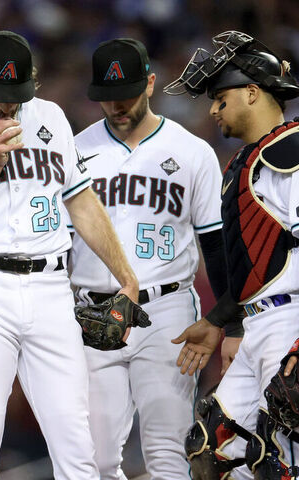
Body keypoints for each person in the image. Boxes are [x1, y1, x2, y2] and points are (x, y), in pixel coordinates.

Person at [0, 30, 140, 479]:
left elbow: (81, 201)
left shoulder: (50, 117)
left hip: (51, 288)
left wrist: (126, 276)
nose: (6, 106)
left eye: (15, 94)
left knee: (77, 441)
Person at [69, 38, 231, 479]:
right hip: (91, 311)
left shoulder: (192, 151)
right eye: (108, 98)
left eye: (128, 95)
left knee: (167, 452)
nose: (118, 107)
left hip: (167, 310)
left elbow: (215, 245)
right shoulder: (74, 151)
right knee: (93, 459)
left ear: (152, 84)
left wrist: (225, 321)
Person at [165, 30, 299, 479]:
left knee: (276, 460)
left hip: (290, 324)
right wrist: (217, 321)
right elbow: (256, 270)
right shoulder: (246, 162)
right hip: (259, 324)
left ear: (253, 92)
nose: (213, 109)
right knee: (211, 449)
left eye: (221, 97)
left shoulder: (292, 153)